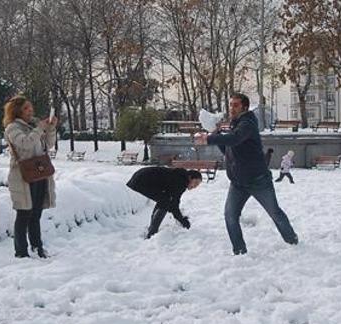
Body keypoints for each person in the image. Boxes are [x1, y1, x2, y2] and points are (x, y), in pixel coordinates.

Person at [194, 93, 298, 255]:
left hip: (259, 181)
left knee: (275, 212)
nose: (231, 108)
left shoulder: (248, 123)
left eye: (235, 105)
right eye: (230, 104)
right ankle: (240, 251)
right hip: (238, 183)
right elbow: (228, 148)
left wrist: (209, 139)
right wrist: (215, 134)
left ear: (244, 107)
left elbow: (235, 139)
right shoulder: (235, 125)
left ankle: (292, 240)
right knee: (230, 216)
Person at [3, 96, 58, 259]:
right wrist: (39, 129)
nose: (30, 111)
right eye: (26, 108)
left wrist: (51, 128)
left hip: (39, 173)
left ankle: (37, 247)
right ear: (18, 110)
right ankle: (21, 251)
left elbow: (47, 145)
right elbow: (25, 144)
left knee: (36, 213)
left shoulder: (34, 126)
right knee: (24, 213)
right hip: (22, 176)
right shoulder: (12, 128)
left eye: (30, 107)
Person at [126, 167, 202, 238]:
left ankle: (152, 229)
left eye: (197, 185)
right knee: (165, 201)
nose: (195, 186)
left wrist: (180, 217)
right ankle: (152, 232)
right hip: (141, 180)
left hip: (139, 178)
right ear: (190, 177)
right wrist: (182, 221)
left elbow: (173, 203)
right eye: (195, 183)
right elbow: (174, 205)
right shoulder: (181, 181)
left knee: (165, 200)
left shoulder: (180, 177)